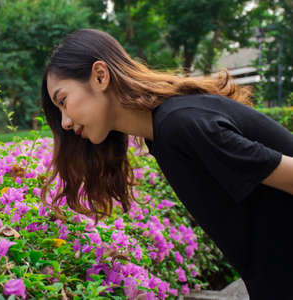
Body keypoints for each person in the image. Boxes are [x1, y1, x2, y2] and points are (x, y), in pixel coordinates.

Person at [40, 28, 293, 299]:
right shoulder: (162, 134)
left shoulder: (179, 124)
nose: (65, 122)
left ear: (100, 76)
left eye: (63, 101)